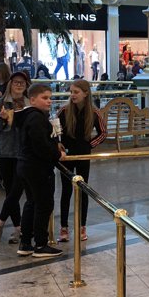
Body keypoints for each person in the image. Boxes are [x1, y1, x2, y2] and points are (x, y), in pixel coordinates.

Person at [15, 82, 66, 258]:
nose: (49, 101)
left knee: (32, 202)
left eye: (50, 98)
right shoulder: (36, 118)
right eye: (44, 98)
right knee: (44, 204)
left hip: (26, 165)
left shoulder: (27, 116)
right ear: (32, 99)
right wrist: (57, 154)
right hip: (37, 167)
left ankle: (25, 242)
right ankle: (41, 244)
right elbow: (40, 144)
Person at [57, 79, 107, 243]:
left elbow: (103, 133)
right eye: (71, 92)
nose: (72, 95)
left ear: (86, 93)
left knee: (83, 190)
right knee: (66, 191)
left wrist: (89, 145)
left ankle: (82, 226)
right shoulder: (64, 111)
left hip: (83, 155)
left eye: (76, 92)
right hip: (66, 156)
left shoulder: (94, 112)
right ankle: (64, 227)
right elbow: (55, 130)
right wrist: (58, 145)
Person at [0, 70, 30, 245]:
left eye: (22, 82)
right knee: (11, 191)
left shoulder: (30, 104)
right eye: (16, 82)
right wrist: (2, 119)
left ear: (26, 85)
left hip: (25, 153)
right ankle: (18, 229)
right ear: (10, 84)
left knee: (16, 191)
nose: (19, 85)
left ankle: (0, 221)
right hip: (5, 152)